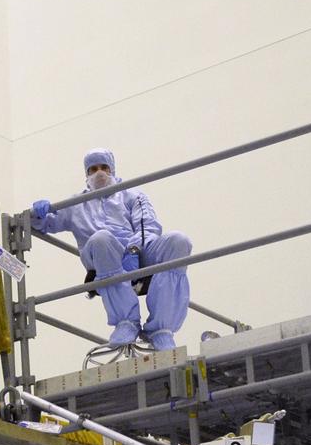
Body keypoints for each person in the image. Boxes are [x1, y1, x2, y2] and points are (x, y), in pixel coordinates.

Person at [31, 148, 191, 351]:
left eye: (104, 167)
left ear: (113, 169)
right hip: (102, 253)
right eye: (93, 169)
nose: (99, 173)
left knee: (178, 241)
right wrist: (35, 213)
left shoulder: (132, 195)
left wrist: (134, 249)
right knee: (101, 238)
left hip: (138, 251)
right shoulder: (75, 204)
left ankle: (160, 329)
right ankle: (126, 321)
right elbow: (44, 224)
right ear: (86, 174)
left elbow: (148, 225)